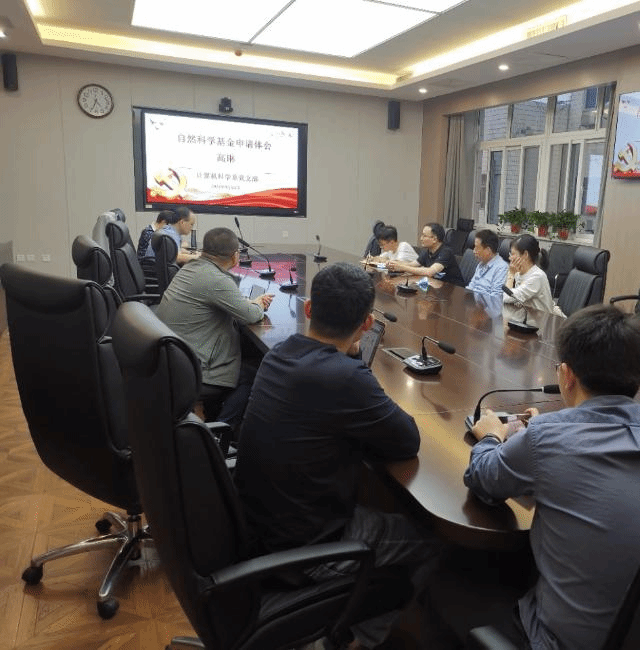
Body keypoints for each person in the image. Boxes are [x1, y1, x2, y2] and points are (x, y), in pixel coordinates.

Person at [234, 262, 439, 650]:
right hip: (307, 549)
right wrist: (356, 367)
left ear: (309, 309)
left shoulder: (279, 353)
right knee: (431, 541)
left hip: (258, 527)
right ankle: (354, 641)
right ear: (367, 324)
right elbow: (406, 440)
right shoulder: (345, 377)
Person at [463, 304, 640, 649]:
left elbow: (482, 479)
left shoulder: (545, 437)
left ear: (566, 375)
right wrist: (544, 430)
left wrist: (492, 435)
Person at [155, 227, 272, 428]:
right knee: (257, 373)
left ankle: (209, 415)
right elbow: (251, 315)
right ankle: (220, 431)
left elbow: (221, 299)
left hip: (175, 359)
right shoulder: (217, 280)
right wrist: (258, 304)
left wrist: (247, 303)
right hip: (195, 367)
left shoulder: (191, 267)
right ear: (235, 256)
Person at [386, 222, 465, 287]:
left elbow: (430, 272)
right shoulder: (427, 251)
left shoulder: (446, 252)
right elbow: (412, 265)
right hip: (436, 286)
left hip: (453, 290)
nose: (421, 238)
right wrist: (394, 264)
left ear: (434, 239)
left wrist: (402, 267)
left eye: (424, 236)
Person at [503, 234, 555, 323]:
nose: (509, 258)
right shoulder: (518, 273)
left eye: (512, 254)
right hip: (524, 321)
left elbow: (506, 298)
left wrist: (511, 275)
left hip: (541, 325)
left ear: (525, 254)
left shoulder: (537, 277)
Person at [466, 229, 509, 297]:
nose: (474, 251)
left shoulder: (502, 268)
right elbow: (471, 286)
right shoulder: (481, 263)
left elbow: (496, 296)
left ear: (488, 250)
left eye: (477, 248)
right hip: (472, 300)